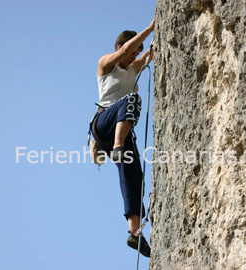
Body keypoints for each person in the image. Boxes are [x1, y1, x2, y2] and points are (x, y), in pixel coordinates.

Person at [91, 18, 155, 257]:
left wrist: (149, 49)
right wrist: (149, 29)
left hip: (122, 127)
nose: (133, 58)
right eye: (130, 52)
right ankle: (118, 144)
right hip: (104, 123)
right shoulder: (106, 65)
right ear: (120, 48)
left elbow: (145, 55)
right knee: (131, 100)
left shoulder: (131, 69)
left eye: (136, 54)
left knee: (133, 174)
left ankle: (134, 233)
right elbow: (127, 51)